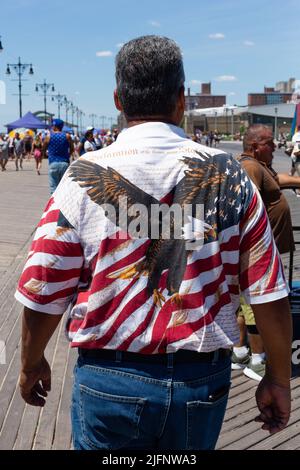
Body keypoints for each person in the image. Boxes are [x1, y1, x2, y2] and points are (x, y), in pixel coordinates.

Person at [16, 35, 292, 451]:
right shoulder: (230, 176)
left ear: (117, 100)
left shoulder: (81, 175)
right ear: (182, 99)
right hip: (199, 384)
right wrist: (278, 377)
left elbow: (44, 286)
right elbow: (269, 293)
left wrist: (31, 362)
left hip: (109, 380)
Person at [232, 124, 300, 381]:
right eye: (270, 143)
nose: (275, 148)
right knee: (259, 304)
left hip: (261, 251)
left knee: (244, 305)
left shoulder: (260, 166)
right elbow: (249, 207)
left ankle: (239, 353)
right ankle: (258, 361)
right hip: (257, 253)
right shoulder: (250, 167)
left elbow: (278, 180)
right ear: (255, 146)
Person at [43, 118, 74, 194]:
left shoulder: (49, 136)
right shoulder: (67, 136)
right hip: (64, 163)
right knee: (64, 187)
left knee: (53, 188)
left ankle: (54, 205)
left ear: (55, 126)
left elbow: (43, 148)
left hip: (53, 163)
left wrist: (47, 154)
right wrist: (67, 155)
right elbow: (72, 149)